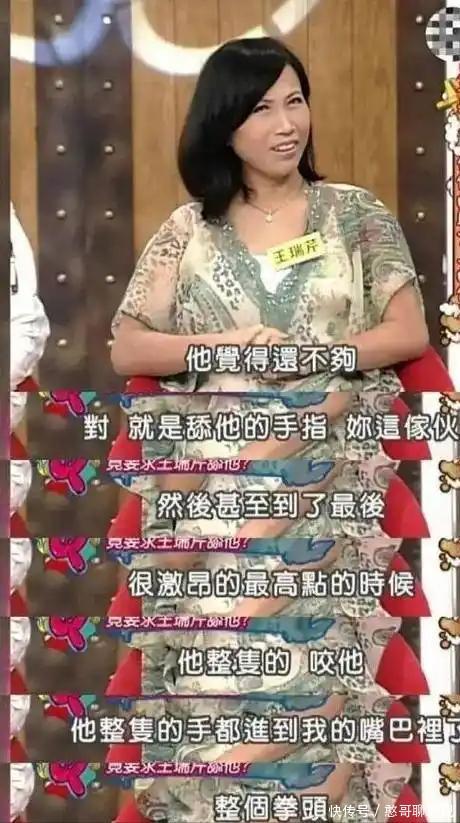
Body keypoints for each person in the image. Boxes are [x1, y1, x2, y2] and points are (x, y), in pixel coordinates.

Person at [110, 38, 428, 823]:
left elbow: (407, 331)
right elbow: (129, 344)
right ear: (224, 125)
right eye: (262, 108)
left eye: (296, 101)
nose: (287, 124)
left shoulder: (354, 214)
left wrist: (318, 356)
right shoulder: (189, 230)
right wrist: (223, 347)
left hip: (324, 487)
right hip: (217, 496)